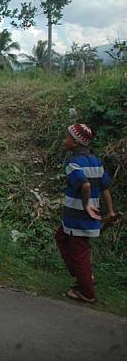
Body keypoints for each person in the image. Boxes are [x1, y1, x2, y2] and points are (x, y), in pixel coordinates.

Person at [56, 124, 115, 303]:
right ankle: (84, 276)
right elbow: (105, 187)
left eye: (67, 137)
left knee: (79, 253)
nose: (64, 140)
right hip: (83, 218)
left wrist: (86, 205)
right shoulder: (95, 161)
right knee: (61, 237)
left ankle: (87, 292)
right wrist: (110, 211)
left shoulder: (73, 163)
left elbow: (85, 185)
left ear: (75, 142)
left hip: (78, 218)